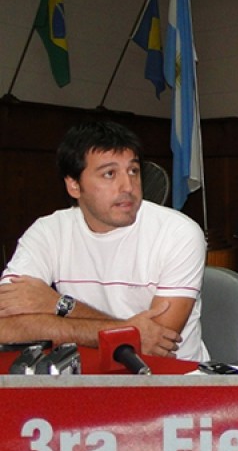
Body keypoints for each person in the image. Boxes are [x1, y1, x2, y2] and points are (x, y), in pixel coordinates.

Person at [0, 121, 209, 361]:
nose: (128, 186)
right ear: (74, 185)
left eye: (133, 171)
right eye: (110, 174)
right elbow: (5, 328)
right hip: (86, 373)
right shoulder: (47, 231)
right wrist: (123, 332)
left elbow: (156, 342)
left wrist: (60, 306)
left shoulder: (178, 233)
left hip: (173, 376)